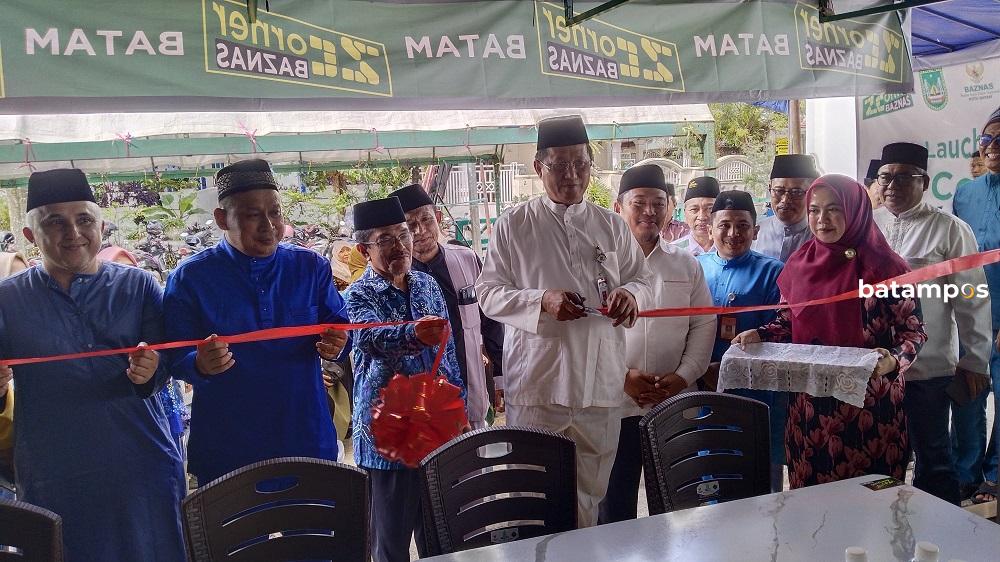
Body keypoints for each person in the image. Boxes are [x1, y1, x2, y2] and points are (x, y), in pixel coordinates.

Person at [0, 168, 185, 560]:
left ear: (101, 226)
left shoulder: (138, 285)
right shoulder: (7, 299)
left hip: (141, 464)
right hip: (54, 473)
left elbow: (167, 361)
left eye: (84, 220)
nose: (73, 233)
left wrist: (152, 369)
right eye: (56, 222)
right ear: (31, 235)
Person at [477, 115, 650, 527]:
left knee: (590, 495)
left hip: (599, 385)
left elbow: (643, 278)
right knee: (533, 494)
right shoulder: (514, 225)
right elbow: (488, 293)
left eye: (580, 164)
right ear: (539, 167)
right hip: (539, 385)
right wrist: (542, 301)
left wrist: (631, 294)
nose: (571, 174)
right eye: (559, 165)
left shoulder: (611, 225)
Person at [163, 159, 350, 486]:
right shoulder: (190, 278)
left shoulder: (310, 267)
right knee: (237, 522)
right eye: (252, 215)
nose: (269, 225)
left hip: (304, 437)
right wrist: (199, 364)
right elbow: (174, 356)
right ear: (222, 219)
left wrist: (337, 344)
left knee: (314, 520)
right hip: (229, 448)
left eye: (275, 213)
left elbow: (339, 328)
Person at [733, 174, 927, 488]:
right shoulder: (800, 264)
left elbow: (914, 333)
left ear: (855, 211)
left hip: (871, 406)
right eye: (814, 210)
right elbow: (787, 322)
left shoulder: (888, 268)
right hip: (811, 405)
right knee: (812, 499)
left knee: (874, 500)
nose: (822, 219)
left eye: (834, 209)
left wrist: (893, 360)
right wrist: (761, 334)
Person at [346, 196, 465, 562]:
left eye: (403, 234)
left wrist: (457, 406)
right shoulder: (356, 295)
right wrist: (413, 334)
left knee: (440, 538)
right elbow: (369, 338)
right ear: (364, 250)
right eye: (385, 240)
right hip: (388, 439)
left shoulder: (428, 285)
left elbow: (448, 353)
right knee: (391, 544)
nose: (400, 245)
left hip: (435, 432)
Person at [872, 142, 992, 505]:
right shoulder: (869, 227)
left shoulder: (949, 229)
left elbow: (972, 298)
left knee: (934, 460)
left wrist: (975, 361)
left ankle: (939, 531)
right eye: (885, 177)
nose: (892, 185)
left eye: (903, 177)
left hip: (929, 368)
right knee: (880, 460)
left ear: (924, 182)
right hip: (876, 369)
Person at [599, 164, 715, 523]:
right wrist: (622, 377)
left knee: (679, 506)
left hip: (674, 402)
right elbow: (588, 333)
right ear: (618, 208)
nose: (649, 211)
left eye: (658, 203)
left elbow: (703, 323)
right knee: (614, 507)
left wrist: (683, 376)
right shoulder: (599, 265)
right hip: (616, 404)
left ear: (669, 208)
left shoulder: (686, 264)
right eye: (639, 203)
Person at [389, 183, 504, 429]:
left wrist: (499, 377)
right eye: (410, 225)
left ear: (438, 218)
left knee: (475, 449)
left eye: (426, 220)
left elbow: (490, 321)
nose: (420, 231)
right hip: (419, 404)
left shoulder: (466, 259)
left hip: (470, 387)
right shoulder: (393, 279)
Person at [697, 189, 787, 491]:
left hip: (756, 392)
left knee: (760, 482)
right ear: (711, 228)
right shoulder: (695, 268)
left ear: (756, 231)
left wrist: (728, 367)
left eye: (742, 226)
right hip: (705, 387)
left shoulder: (774, 272)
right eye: (724, 225)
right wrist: (702, 369)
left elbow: (781, 330)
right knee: (708, 473)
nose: (733, 233)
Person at [952, 106, 1000, 503]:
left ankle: (996, 474)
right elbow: (957, 258)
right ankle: (964, 474)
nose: (992, 146)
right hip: (971, 313)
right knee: (967, 394)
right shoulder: (965, 193)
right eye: (986, 138)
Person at [753, 154, 820, 262]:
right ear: (770, 188)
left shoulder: (820, 236)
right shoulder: (755, 233)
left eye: (796, 192)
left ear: (812, 193)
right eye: (779, 191)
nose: (785, 200)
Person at [672, 177, 719, 256]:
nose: (702, 217)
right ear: (685, 213)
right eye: (694, 209)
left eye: (709, 209)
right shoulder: (672, 252)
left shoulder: (733, 250)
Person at [657, 173, 691, 243]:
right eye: (656, 204)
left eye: (663, 204)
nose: (660, 209)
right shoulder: (644, 229)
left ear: (675, 204)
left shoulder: (685, 230)